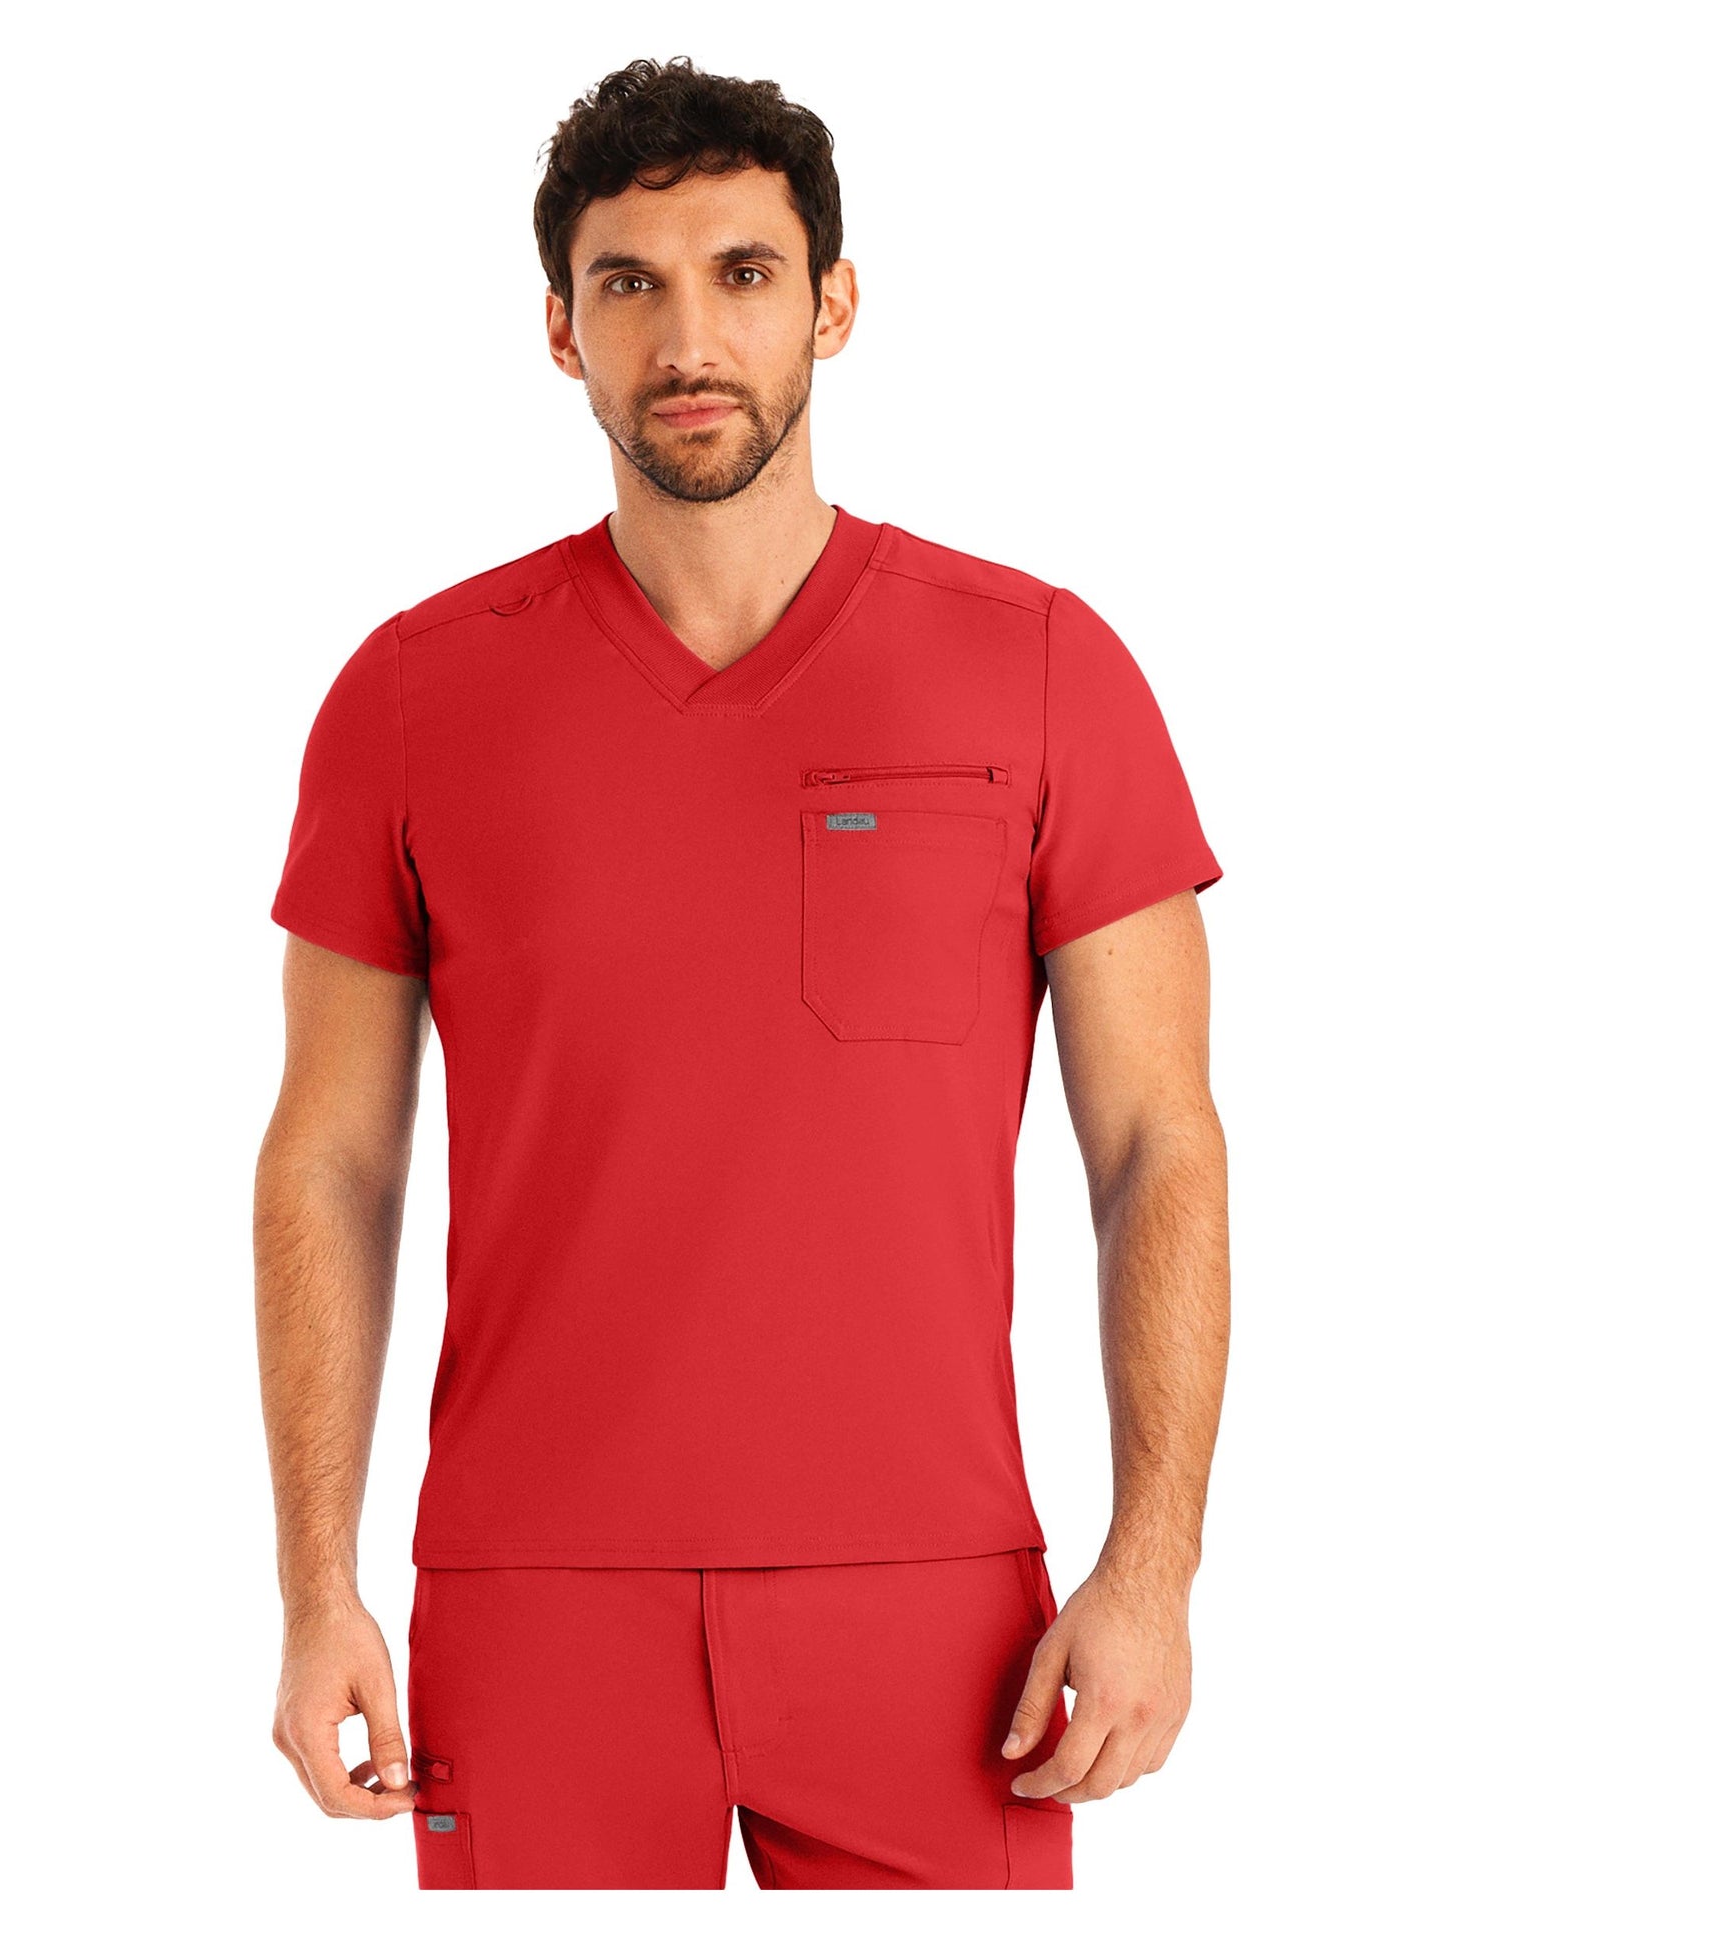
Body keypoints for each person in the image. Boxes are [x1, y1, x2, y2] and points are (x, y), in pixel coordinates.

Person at [255, 55, 1228, 1892]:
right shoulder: (409, 699)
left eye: (744, 273)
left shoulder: (1042, 668)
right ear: (561, 328)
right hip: (531, 1598)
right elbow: (330, 1160)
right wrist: (318, 1587)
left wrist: (1152, 1565)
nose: (687, 336)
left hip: (941, 1603)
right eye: (628, 282)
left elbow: (1155, 1143)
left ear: (833, 304)